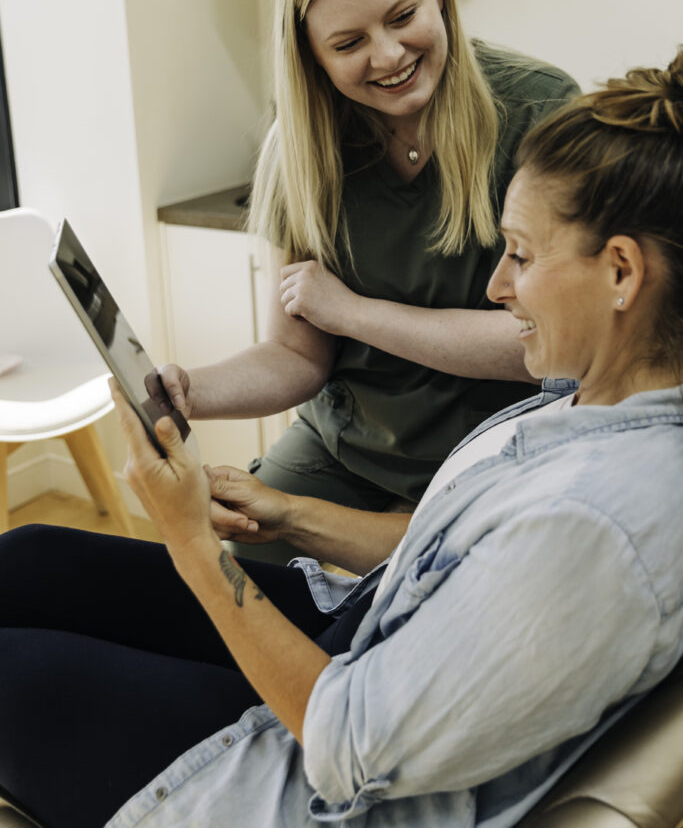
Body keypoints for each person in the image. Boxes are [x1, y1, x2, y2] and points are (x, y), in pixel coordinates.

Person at [0, 52, 681, 828]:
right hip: (361, 641)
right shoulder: (586, 399)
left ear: (622, 272)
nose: (495, 287)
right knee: (28, 561)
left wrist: (191, 540)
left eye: (519, 256)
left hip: (307, 775)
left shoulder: (594, 525)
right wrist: (287, 514)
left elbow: (346, 748)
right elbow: (451, 560)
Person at [156, 0, 579, 561]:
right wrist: (186, 393)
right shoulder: (299, 148)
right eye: (348, 43)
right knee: (240, 580)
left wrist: (353, 314)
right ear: (311, 56)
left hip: (497, 449)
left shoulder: (539, 111)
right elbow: (296, 356)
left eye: (402, 16)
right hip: (344, 443)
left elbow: (554, 344)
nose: (386, 57)